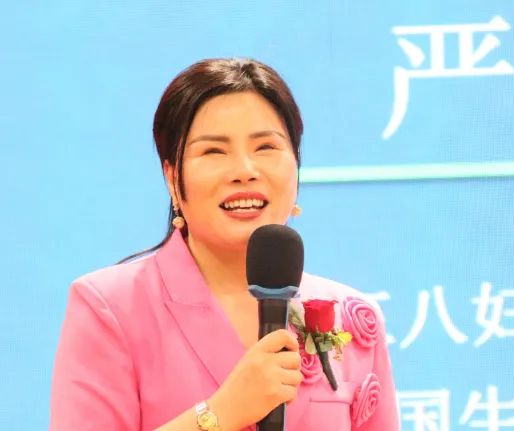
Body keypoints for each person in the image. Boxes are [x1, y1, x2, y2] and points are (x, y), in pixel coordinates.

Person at [50, 58, 399, 431]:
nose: (244, 171)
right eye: (214, 152)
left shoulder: (350, 315)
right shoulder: (110, 308)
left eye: (266, 147)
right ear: (172, 177)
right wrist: (222, 412)